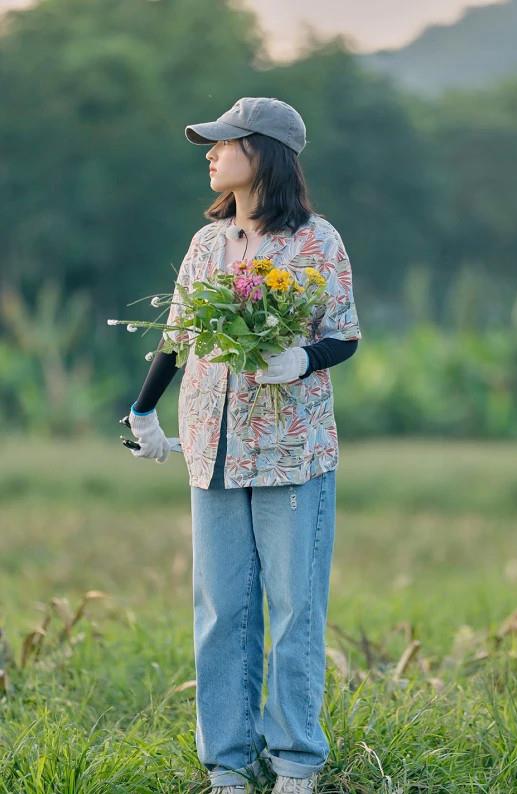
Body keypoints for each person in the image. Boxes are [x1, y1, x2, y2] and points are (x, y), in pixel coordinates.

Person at [125, 97, 362, 794]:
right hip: (212, 443)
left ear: (262, 152)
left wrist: (301, 360)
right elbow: (177, 335)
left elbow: (344, 334)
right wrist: (143, 413)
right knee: (222, 609)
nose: (211, 152)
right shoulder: (207, 245)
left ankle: (295, 763)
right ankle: (228, 762)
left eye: (224, 143)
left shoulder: (319, 241)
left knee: (294, 607)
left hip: (292, 447)